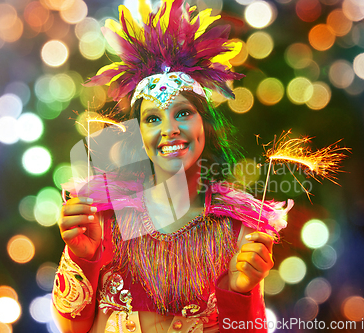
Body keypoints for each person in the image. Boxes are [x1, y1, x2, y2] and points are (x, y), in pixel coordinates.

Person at [52, 1, 292, 332]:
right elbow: (71, 327)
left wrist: (241, 290)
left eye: (182, 113)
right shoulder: (103, 215)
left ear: (205, 125)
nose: (169, 129)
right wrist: (81, 255)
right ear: (140, 133)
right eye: (153, 119)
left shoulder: (240, 228)